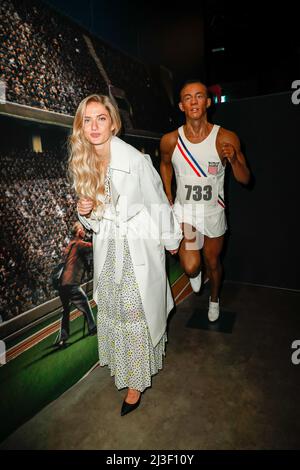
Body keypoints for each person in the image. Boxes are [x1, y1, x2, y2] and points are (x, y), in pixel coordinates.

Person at [69, 94, 182, 415]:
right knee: (115, 311)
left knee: (136, 313)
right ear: (80, 125)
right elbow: (91, 220)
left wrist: (171, 238)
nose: (93, 126)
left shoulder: (134, 160)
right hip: (108, 249)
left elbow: (158, 202)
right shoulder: (83, 161)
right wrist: (84, 211)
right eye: (87, 120)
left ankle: (135, 383)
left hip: (136, 248)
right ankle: (126, 365)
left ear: (113, 122)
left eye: (100, 118)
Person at [160, 80, 250, 322]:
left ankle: (214, 299)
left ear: (208, 102)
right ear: (181, 106)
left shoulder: (225, 138)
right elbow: (165, 165)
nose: (193, 101)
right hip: (187, 212)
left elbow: (245, 179)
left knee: (213, 262)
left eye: (199, 96)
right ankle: (194, 271)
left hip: (213, 212)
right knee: (191, 266)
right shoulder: (170, 140)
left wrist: (234, 161)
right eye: (187, 98)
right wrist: (168, 193)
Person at [55, 221, 97, 347]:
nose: (84, 230)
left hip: (62, 284)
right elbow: (92, 246)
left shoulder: (70, 245)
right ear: (79, 232)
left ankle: (63, 338)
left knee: (66, 311)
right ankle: (92, 328)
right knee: (84, 302)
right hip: (72, 283)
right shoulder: (79, 244)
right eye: (82, 228)